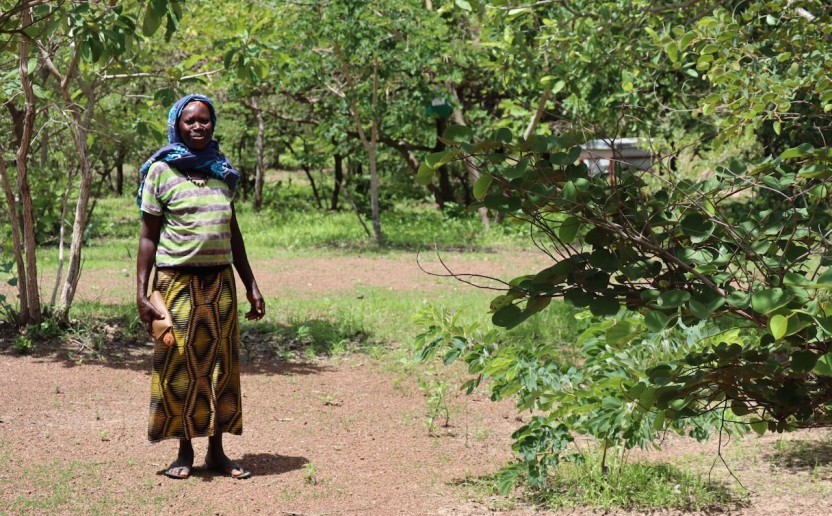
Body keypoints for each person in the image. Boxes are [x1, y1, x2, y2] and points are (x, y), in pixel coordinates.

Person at [136, 94, 265, 480]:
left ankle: (217, 452)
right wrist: (141, 293)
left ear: (213, 124)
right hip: (176, 282)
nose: (198, 126)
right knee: (179, 366)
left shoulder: (222, 170)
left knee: (222, 368)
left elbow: (233, 232)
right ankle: (184, 450)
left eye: (205, 120)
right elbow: (147, 237)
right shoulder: (160, 171)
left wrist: (251, 285)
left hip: (220, 283)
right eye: (190, 120)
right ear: (177, 124)